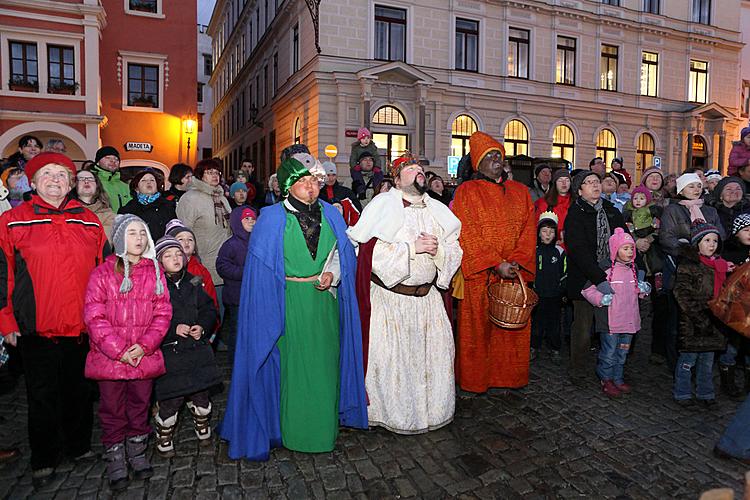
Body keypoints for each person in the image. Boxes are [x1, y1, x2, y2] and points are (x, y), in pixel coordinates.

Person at [220, 152, 368, 460]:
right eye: (302, 182)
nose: (310, 187)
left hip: (325, 302)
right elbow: (260, 270)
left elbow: (345, 251)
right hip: (286, 302)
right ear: (288, 186)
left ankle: (323, 431)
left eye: (314, 180)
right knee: (292, 368)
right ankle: (291, 429)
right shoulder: (271, 218)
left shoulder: (332, 213)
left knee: (325, 365)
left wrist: (334, 273)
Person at [0, 153, 106, 488]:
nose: (56, 180)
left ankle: (78, 446)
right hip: (37, 326)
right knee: (41, 395)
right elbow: (3, 276)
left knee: (80, 391)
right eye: (47, 174)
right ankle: (43, 457)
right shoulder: (13, 221)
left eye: (62, 175)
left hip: (82, 325)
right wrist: (7, 322)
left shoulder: (89, 220)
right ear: (32, 182)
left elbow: (104, 273)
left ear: (72, 183)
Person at [348, 156, 462, 433]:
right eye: (411, 169)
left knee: (433, 360)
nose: (419, 173)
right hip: (391, 303)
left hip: (428, 303)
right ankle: (394, 416)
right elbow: (368, 254)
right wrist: (413, 248)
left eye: (421, 170)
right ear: (397, 180)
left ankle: (433, 413)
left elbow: (455, 249)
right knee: (393, 364)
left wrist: (440, 252)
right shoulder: (383, 206)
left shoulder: (438, 210)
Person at [83, 214, 170, 490]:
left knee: (139, 406)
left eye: (142, 234)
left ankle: (136, 451)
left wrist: (144, 346)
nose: (139, 239)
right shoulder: (102, 273)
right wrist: (119, 350)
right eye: (133, 233)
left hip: (143, 357)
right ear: (120, 238)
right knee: (112, 409)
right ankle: (116, 457)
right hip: (111, 358)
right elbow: (94, 317)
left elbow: (163, 313)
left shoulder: (155, 271)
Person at [452, 131, 537, 393]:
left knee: (511, 331)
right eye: (489, 156)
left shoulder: (521, 192)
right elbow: (466, 232)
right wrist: (494, 262)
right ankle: (476, 380)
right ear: (477, 163)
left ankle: (508, 378)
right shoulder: (467, 192)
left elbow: (528, 231)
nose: (496, 160)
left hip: (513, 274)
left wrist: (516, 262)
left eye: (499, 155)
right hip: (480, 276)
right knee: (477, 332)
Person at [152, 236, 221, 457]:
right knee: (172, 400)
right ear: (159, 261)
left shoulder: (193, 281)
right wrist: (173, 328)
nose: (175, 259)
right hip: (171, 353)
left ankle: (202, 424)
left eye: (178, 254)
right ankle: (165, 432)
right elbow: (149, 319)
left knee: (201, 395)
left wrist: (202, 326)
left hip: (196, 350)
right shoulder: (155, 287)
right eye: (168, 255)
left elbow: (209, 309)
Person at [564, 171, 627, 381]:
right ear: (580, 191)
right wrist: (598, 278)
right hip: (585, 278)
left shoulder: (610, 210)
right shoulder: (575, 213)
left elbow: (623, 237)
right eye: (588, 183)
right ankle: (577, 369)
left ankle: (609, 370)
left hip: (611, 275)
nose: (595, 185)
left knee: (611, 326)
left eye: (596, 181)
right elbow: (578, 250)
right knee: (583, 327)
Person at [581, 228, 650, 397]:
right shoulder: (605, 271)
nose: (629, 252)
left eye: (631, 248)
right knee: (609, 353)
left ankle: (618, 378)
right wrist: (600, 299)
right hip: (611, 323)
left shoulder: (634, 270)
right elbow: (587, 290)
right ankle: (606, 378)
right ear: (615, 250)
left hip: (629, 322)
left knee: (623, 352)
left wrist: (643, 289)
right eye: (625, 248)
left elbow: (638, 292)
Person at [672, 221, 730, 407]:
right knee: (688, 361)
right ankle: (682, 392)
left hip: (715, 322)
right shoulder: (688, 266)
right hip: (693, 323)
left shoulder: (719, 266)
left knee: (707, 362)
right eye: (707, 240)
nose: (712, 244)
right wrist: (699, 317)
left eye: (714, 240)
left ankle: (706, 393)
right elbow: (682, 293)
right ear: (697, 243)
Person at [176, 159, 232, 292]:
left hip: (225, 265)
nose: (215, 175)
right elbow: (183, 232)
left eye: (217, 172)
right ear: (201, 175)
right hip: (203, 265)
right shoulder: (190, 199)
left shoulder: (222, 198)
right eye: (210, 172)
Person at [216, 206, 256, 365]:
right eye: (247, 218)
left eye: (253, 218)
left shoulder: (257, 241)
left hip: (253, 296)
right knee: (237, 331)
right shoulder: (231, 244)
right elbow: (222, 266)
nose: (251, 221)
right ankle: (235, 363)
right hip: (236, 297)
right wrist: (244, 272)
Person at [531, 211, 566, 362]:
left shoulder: (559, 252)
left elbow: (564, 272)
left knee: (554, 324)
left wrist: (562, 290)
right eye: (544, 231)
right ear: (539, 233)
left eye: (551, 232)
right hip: (538, 294)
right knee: (537, 323)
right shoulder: (534, 251)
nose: (547, 235)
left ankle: (555, 348)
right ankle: (534, 347)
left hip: (554, 295)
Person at [165, 219, 219, 315]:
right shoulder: (164, 273)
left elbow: (212, 299)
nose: (186, 242)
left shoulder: (201, 271)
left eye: (190, 239)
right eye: (180, 239)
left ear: (195, 249)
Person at [118, 168, 177, 240]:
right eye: (143, 180)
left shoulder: (168, 206)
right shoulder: (127, 210)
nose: (149, 182)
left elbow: (174, 230)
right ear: (136, 188)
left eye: (152, 180)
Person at [75, 166, 116, 241]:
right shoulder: (65, 211)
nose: (86, 181)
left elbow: (105, 243)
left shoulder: (108, 215)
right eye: (81, 179)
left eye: (90, 179)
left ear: (97, 185)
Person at [534, 169, 572, 244]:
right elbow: (536, 225)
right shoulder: (544, 203)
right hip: (550, 244)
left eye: (567, 180)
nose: (564, 183)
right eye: (560, 180)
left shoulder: (576, 202)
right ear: (555, 183)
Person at [319, 161, 362, 226]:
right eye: (328, 175)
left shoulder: (346, 192)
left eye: (333, 175)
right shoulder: (317, 193)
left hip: (343, 226)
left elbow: (357, 210)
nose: (331, 178)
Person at [90, 146, 131, 213]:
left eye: (116, 159)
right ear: (98, 162)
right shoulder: (92, 182)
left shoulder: (125, 186)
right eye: (107, 158)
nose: (113, 161)